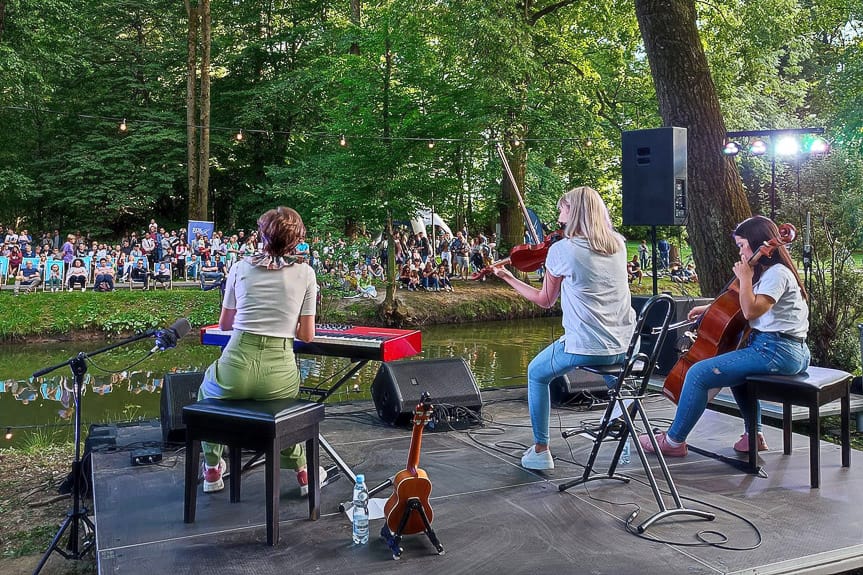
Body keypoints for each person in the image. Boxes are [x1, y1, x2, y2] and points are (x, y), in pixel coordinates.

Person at [639, 215, 810, 457]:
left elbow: (751, 310)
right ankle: (754, 435)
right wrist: (711, 308)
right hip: (785, 349)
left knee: (698, 373)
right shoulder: (768, 272)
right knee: (736, 372)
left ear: (757, 242)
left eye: (741, 245)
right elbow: (744, 303)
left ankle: (673, 442)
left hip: (777, 350)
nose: (740, 251)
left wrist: (745, 277)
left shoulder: (777, 274)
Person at [492, 186, 635, 470]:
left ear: (575, 212)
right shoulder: (618, 244)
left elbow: (544, 300)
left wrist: (507, 277)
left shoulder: (562, 250)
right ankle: (624, 427)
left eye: (562, 209)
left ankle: (541, 449)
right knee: (614, 377)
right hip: (624, 344)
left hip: (587, 346)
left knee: (536, 373)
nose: (559, 217)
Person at [197, 206, 321, 495]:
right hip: (278, 370)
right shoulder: (306, 273)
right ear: (297, 239)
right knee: (285, 410)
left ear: (261, 236)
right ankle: (303, 473)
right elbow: (307, 334)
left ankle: (212, 469)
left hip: (236, 364)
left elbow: (225, 324)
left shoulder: (240, 267)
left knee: (207, 393)